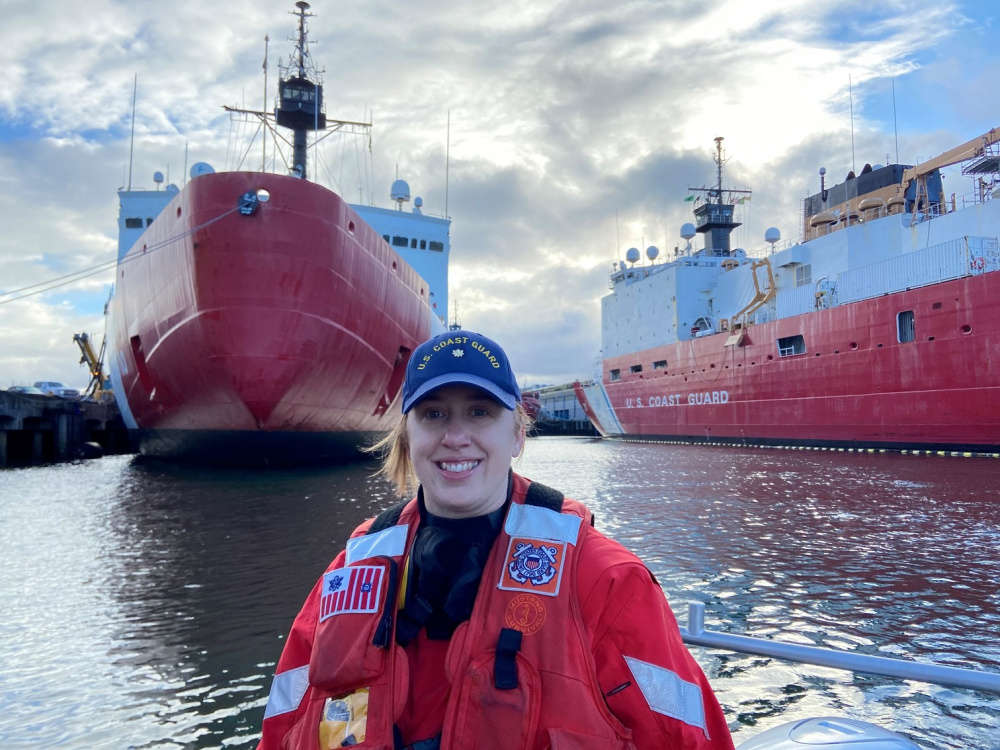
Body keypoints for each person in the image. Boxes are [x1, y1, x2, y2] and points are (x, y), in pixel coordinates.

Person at [257, 330, 734, 750]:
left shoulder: (603, 580)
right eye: (434, 413)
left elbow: (689, 738)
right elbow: (283, 727)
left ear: (518, 435)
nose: (456, 436)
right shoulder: (349, 571)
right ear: (407, 438)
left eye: (480, 412)